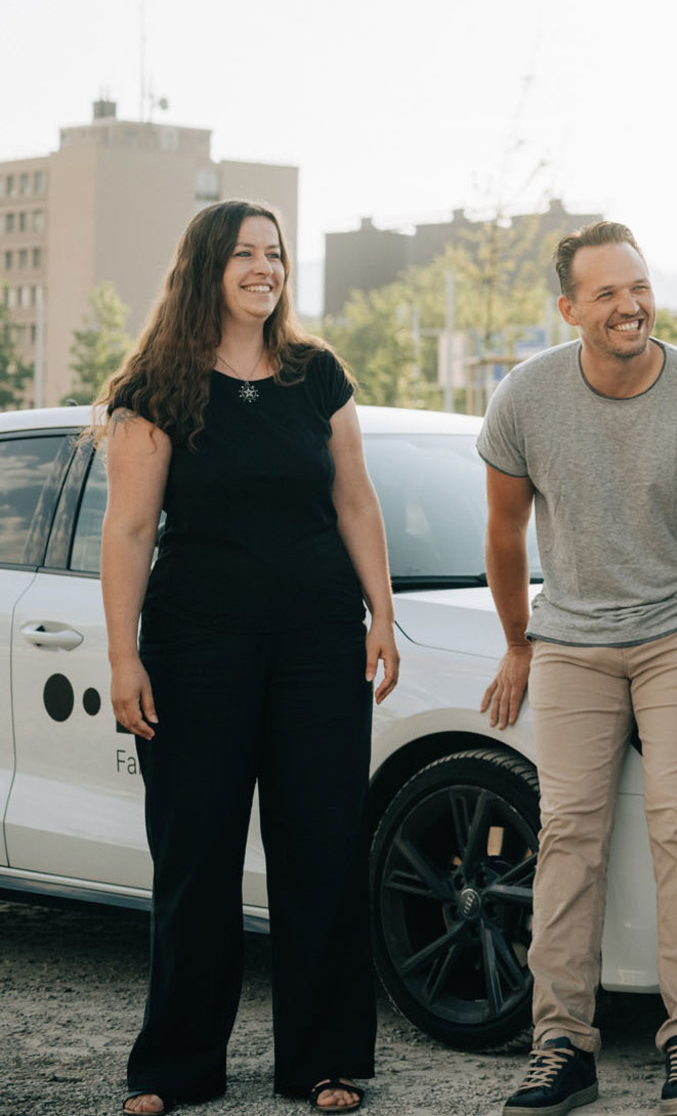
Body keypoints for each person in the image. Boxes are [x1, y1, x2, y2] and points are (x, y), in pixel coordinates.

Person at [477, 221, 677, 1116]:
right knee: (570, 832)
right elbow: (505, 533)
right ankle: (560, 1046)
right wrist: (519, 641)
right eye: (609, 293)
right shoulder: (526, 397)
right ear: (571, 308)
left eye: (641, 287)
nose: (631, 306)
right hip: (574, 640)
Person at [99, 199, 400, 1115]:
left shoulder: (317, 375)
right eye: (244, 255)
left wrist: (382, 616)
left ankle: (324, 1061)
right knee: (195, 861)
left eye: (274, 254)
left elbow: (356, 502)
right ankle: (176, 1070)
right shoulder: (155, 384)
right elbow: (131, 528)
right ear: (206, 268)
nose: (264, 268)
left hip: (318, 647)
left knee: (320, 854)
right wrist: (123, 656)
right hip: (196, 652)